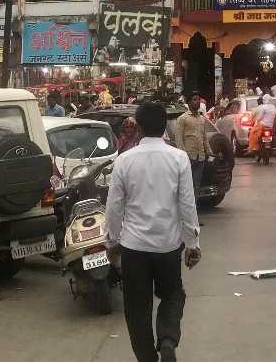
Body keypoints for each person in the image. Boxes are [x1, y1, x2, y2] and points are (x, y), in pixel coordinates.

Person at [105, 103, 201, 362]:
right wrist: (192, 244)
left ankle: (147, 358)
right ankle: (167, 340)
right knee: (172, 294)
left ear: (139, 126)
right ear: (163, 128)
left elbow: (114, 207)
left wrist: (112, 242)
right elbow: (187, 203)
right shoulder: (178, 158)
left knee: (137, 308)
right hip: (168, 245)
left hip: (134, 247)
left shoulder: (124, 160)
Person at [175, 95, 212, 197]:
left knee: (196, 187)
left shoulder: (201, 119)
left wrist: (208, 152)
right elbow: (179, 139)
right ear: (189, 103)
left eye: (198, 100)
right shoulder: (182, 119)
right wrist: (183, 156)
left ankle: (194, 209)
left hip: (200, 158)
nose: (197, 102)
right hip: (188, 158)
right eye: (194, 100)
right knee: (186, 187)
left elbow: (204, 137)